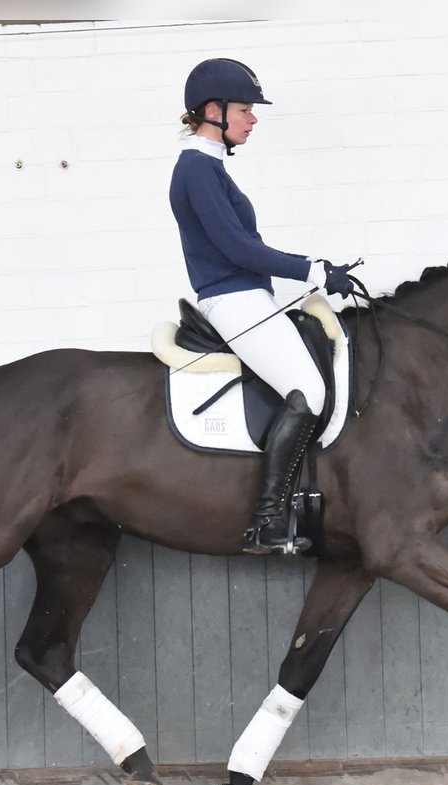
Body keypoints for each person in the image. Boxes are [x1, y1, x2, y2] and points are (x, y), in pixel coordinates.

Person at [169, 58, 355, 555]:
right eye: (246, 110)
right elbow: (238, 249)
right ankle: (268, 520)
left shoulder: (210, 167)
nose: (253, 119)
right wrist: (313, 269)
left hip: (249, 296)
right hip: (231, 299)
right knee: (309, 390)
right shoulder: (196, 169)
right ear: (214, 110)